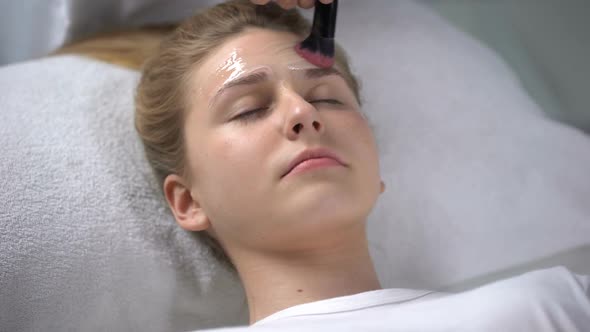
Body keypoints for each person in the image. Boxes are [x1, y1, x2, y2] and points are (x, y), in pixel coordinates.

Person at [134, 0, 590, 330]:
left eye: (327, 98)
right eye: (249, 108)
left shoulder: (552, 306)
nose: (302, 113)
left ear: (376, 169)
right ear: (188, 200)